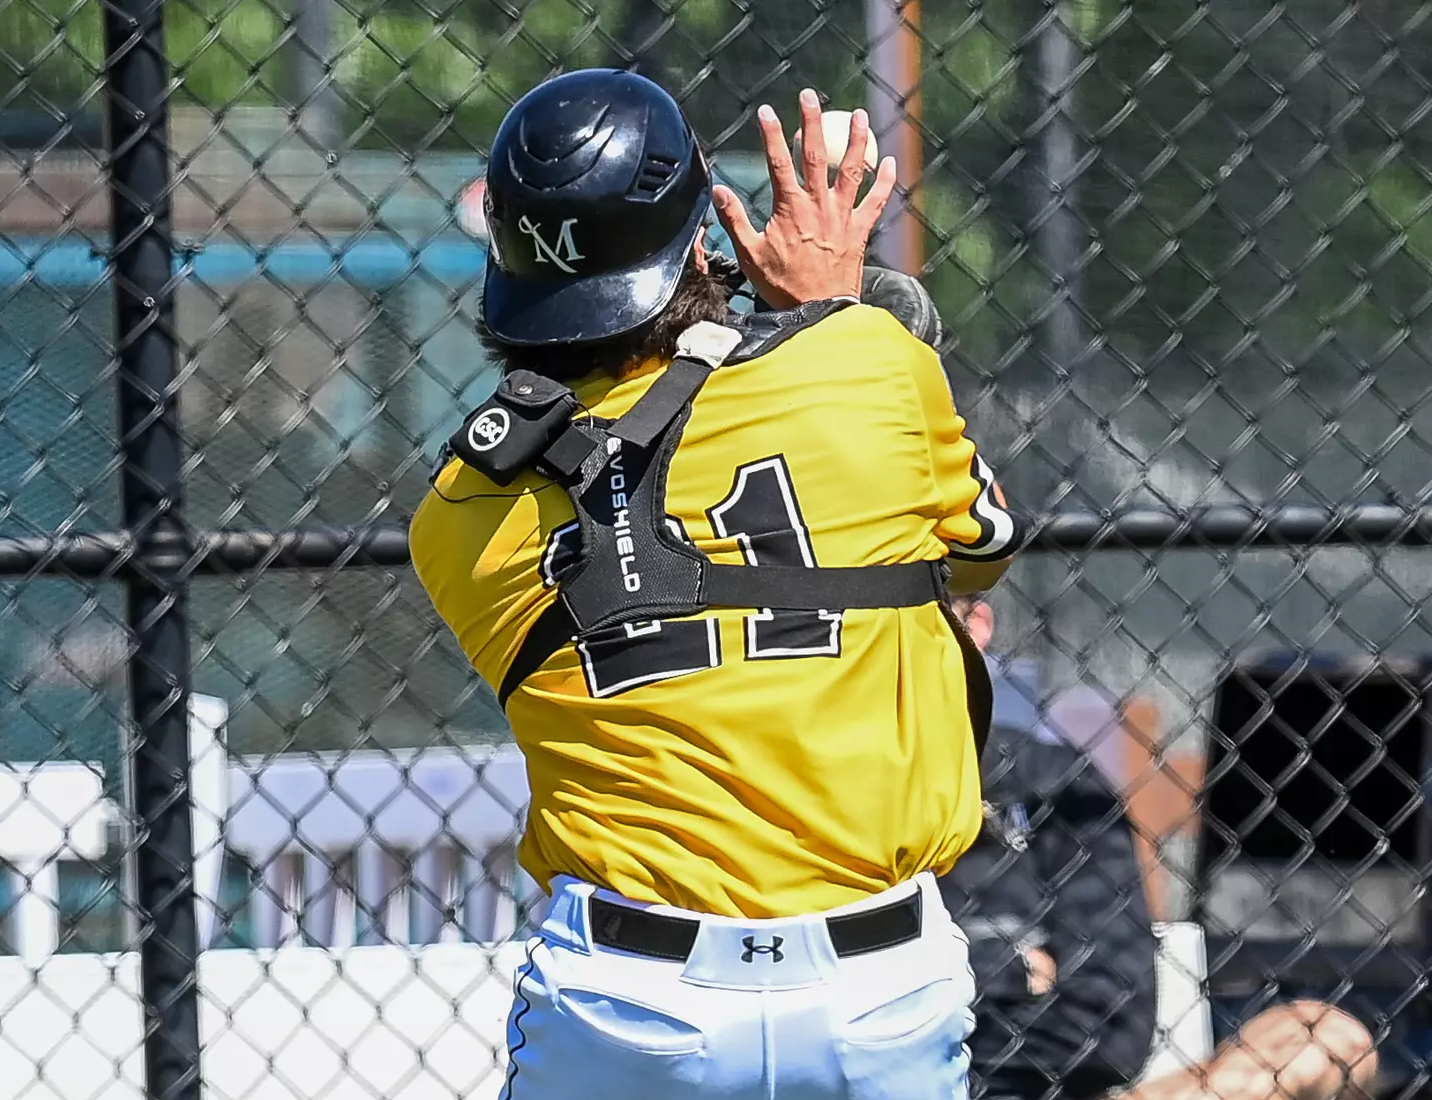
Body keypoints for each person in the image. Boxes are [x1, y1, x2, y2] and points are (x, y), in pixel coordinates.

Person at [409, 69, 1024, 1100]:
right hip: (877, 994)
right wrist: (823, 308)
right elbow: (979, 549)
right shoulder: (864, 364)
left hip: (625, 1001)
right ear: (699, 239)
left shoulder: (459, 512)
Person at [944, 596, 1381, 1100]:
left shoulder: (1055, 782)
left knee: (1327, 1039)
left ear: (974, 626)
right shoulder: (835, 783)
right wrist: (1022, 967)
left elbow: (1113, 1030)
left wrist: (959, 991)